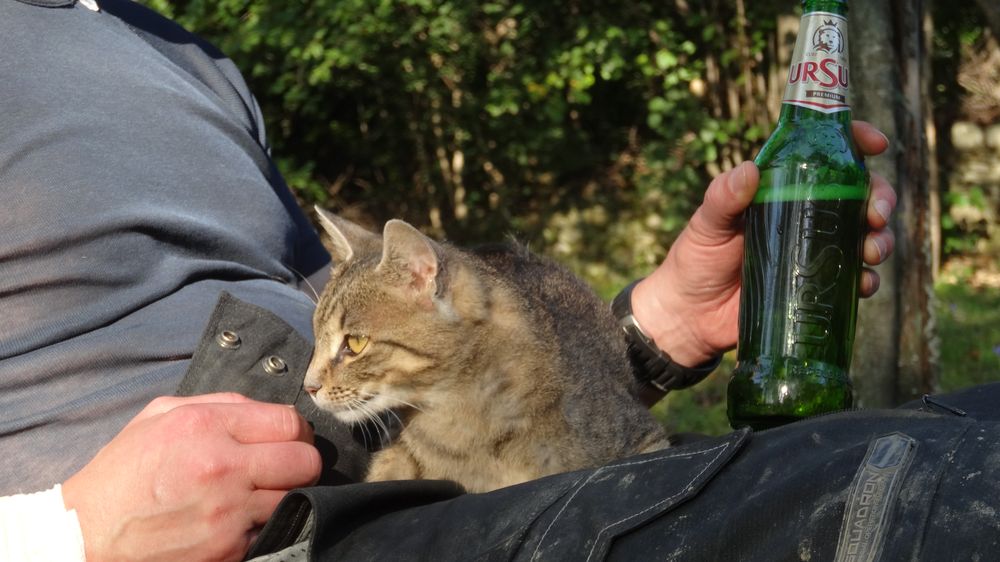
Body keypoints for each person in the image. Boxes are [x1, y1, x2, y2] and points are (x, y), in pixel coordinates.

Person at [7, 1, 991, 562]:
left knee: (960, 435)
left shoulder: (181, 55)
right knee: (904, 505)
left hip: (409, 494)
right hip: (279, 546)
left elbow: (415, 364)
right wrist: (67, 534)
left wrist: (655, 332)